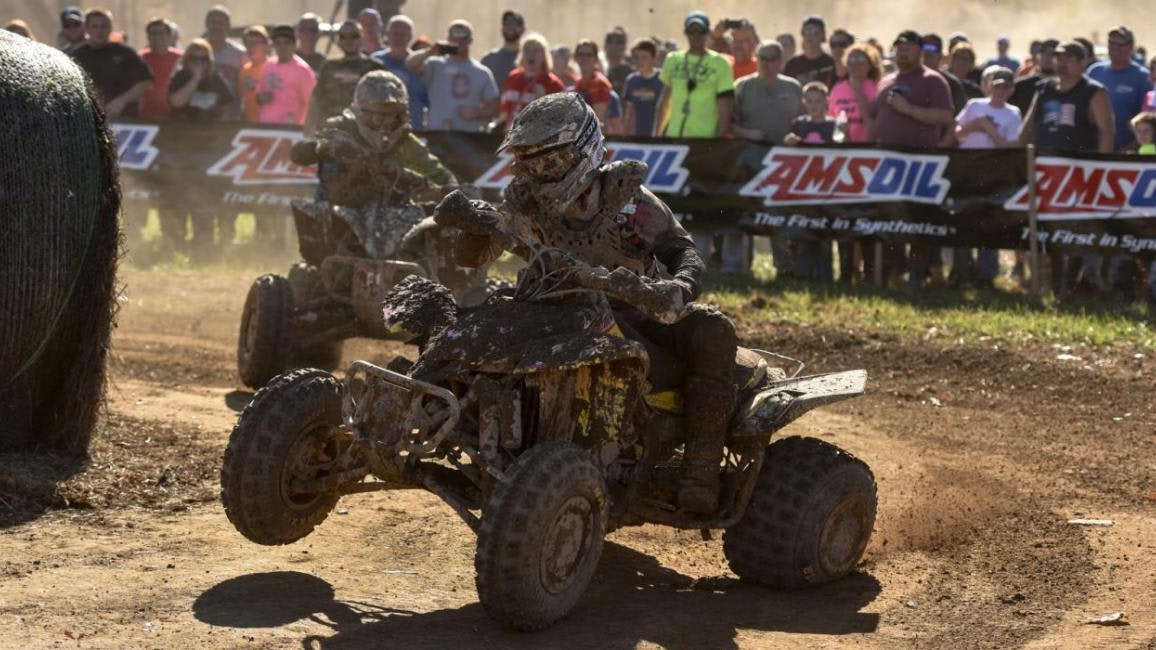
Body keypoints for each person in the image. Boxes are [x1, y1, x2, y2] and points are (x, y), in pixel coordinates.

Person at [444, 92, 737, 514]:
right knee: (472, 327)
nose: (538, 173)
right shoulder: (522, 201)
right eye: (529, 163)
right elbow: (472, 257)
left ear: (582, 152)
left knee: (714, 330)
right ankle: (462, 422)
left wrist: (678, 287)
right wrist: (475, 227)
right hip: (549, 306)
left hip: (632, 311)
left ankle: (700, 468)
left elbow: (681, 249)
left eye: (549, 162)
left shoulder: (628, 201)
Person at [290, 71, 458, 259]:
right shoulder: (340, 129)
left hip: (389, 214)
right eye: (377, 119)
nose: (384, 127)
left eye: (393, 119)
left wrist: (451, 191)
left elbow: (439, 174)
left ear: (402, 118)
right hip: (339, 208)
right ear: (361, 114)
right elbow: (297, 154)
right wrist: (320, 147)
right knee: (317, 254)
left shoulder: (406, 142)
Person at [1020, 41, 1115, 296]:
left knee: (1076, 230)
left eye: (1069, 58)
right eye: (1059, 57)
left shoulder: (1094, 92)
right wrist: (1021, 155)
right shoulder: (1044, 89)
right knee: (1050, 228)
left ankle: (1073, 286)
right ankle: (1054, 286)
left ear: (1083, 63)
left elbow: (1107, 132)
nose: (1062, 63)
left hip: (1081, 171)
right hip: (1047, 170)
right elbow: (1028, 127)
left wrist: (1101, 168)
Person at [870, 30, 954, 291]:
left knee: (920, 221)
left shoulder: (933, 80)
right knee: (889, 220)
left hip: (920, 163)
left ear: (920, 51)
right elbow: (875, 117)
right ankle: (890, 275)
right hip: (888, 162)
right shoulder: (885, 81)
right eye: (899, 47)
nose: (902, 52)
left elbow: (945, 117)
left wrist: (910, 111)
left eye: (908, 48)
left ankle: (918, 277)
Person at [166, 38, 237, 258]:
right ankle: (178, 243)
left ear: (210, 61)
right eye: (195, 59)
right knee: (181, 196)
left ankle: (204, 243)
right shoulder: (180, 78)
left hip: (209, 150)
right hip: (182, 148)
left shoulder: (217, 80)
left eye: (204, 59)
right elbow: (176, 101)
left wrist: (218, 126)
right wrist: (194, 80)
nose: (199, 63)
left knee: (206, 196)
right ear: (186, 60)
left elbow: (229, 106)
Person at [951, 66, 1020, 289]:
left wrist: (989, 130)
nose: (1000, 91)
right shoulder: (974, 105)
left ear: (1011, 90)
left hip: (993, 172)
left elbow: (1010, 147)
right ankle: (962, 271)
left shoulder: (1013, 113)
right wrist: (975, 125)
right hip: (967, 169)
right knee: (963, 220)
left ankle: (986, 274)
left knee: (990, 223)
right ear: (989, 86)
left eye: (1005, 87)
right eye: (996, 86)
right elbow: (958, 134)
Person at [406, 20, 500, 132]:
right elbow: (409, 65)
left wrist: (476, 112)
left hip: (467, 138)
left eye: (463, 39)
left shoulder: (481, 72)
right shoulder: (435, 64)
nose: (458, 43)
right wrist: (430, 51)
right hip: (436, 134)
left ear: (470, 41)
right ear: (448, 39)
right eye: (454, 38)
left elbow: (495, 108)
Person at [654, 11, 734, 138]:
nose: (696, 36)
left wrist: (717, 144)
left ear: (708, 33)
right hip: (674, 136)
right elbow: (665, 102)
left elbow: (725, 110)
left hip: (703, 140)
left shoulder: (721, 63)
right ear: (685, 32)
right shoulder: (672, 59)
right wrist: (657, 136)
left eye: (700, 31)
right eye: (692, 31)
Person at [70, 8, 153, 119]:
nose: (100, 31)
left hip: (125, 119)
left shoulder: (125, 53)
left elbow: (146, 82)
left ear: (111, 28)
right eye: (95, 26)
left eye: (104, 26)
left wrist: (122, 100)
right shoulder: (75, 56)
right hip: (88, 120)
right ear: (86, 29)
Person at [305, 21, 386, 135]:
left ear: (362, 37)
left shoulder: (375, 67)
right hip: (330, 132)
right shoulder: (329, 66)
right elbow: (316, 99)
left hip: (363, 135)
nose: (349, 40)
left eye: (354, 36)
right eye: (343, 36)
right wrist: (308, 128)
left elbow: (385, 104)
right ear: (339, 40)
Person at [1088, 26, 1153, 152]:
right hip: (1094, 148)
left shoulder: (1143, 77)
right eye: (1111, 42)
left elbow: (1148, 118)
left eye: (1121, 43)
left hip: (1127, 151)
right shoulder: (1095, 71)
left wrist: (1133, 147)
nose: (1115, 47)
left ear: (1131, 46)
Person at [731, 41, 801, 143]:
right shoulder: (741, 86)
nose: (765, 63)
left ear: (780, 61)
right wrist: (747, 133)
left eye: (771, 59)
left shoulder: (793, 87)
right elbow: (729, 123)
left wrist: (795, 137)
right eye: (762, 58)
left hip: (784, 152)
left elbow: (804, 121)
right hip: (750, 150)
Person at [372, 15, 430, 130]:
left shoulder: (421, 63)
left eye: (403, 34)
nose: (398, 38)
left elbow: (429, 99)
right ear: (387, 35)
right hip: (381, 131)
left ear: (410, 37)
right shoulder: (375, 61)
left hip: (413, 128)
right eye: (395, 33)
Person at [499, 34, 566, 129]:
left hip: (536, 139)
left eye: (536, 50)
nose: (531, 54)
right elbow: (505, 111)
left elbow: (561, 118)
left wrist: (542, 100)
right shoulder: (513, 77)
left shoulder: (552, 83)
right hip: (510, 137)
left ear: (544, 55)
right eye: (527, 50)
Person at [256, 25, 317, 126]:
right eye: (278, 43)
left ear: (294, 45)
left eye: (286, 43)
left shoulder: (302, 70)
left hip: (291, 130)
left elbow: (313, 104)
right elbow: (258, 94)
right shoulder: (268, 65)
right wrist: (261, 98)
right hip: (266, 128)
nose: (282, 47)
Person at [138, 18, 182, 120]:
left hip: (175, 117)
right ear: (148, 37)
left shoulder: (181, 58)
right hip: (146, 115)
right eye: (153, 33)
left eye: (161, 33)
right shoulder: (140, 58)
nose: (157, 37)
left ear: (170, 36)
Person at [204, 6, 245, 110]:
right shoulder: (198, 51)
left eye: (221, 23)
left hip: (231, 112)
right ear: (206, 25)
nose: (216, 26)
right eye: (213, 22)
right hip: (201, 114)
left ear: (228, 26)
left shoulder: (239, 53)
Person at [622, 38, 664, 136]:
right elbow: (629, 112)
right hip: (637, 136)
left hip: (658, 136)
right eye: (636, 57)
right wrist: (626, 135)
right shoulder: (631, 80)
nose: (640, 61)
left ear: (654, 58)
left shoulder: (662, 79)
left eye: (644, 57)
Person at [784, 15, 835, 88]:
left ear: (823, 35)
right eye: (807, 31)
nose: (810, 36)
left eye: (815, 32)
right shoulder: (792, 64)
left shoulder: (831, 63)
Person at [1009, 39, 1057, 115]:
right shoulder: (1020, 86)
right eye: (1043, 52)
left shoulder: (1066, 88)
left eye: (1053, 54)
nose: (1048, 57)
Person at [572, 39, 613, 125]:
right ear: (575, 58)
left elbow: (599, 122)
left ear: (596, 59)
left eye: (589, 55)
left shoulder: (599, 83)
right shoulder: (578, 83)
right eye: (581, 54)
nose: (584, 58)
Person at [481, 10, 525, 89]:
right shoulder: (488, 59)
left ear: (523, 29)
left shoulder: (530, 59)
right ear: (501, 28)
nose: (510, 27)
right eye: (507, 23)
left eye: (515, 24)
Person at [237, 26, 270, 122]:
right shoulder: (244, 71)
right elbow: (244, 101)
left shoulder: (272, 68)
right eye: (248, 44)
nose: (251, 47)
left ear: (266, 45)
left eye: (255, 44)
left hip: (269, 125)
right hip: (249, 126)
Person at [603, 26, 635, 96]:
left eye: (619, 43)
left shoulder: (630, 74)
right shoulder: (601, 70)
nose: (614, 46)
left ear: (624, 47)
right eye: (610, 42)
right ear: (605, 46)